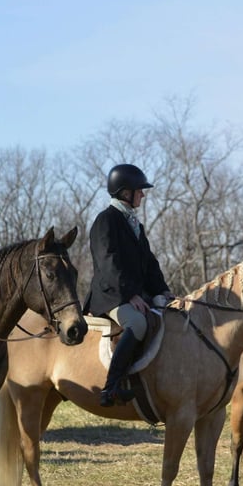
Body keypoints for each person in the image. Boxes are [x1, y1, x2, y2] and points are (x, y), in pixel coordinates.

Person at [85, 164, 172, 407]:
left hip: (134, 295)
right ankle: (111, 387)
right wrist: (130, 294)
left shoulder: (135, 224)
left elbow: (149, 264)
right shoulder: (106, 221)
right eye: (139, 191)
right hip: (110, 295)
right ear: (125, 193)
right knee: (137, 322)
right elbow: (108, 263)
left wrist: (163, 291)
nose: (143, 195)